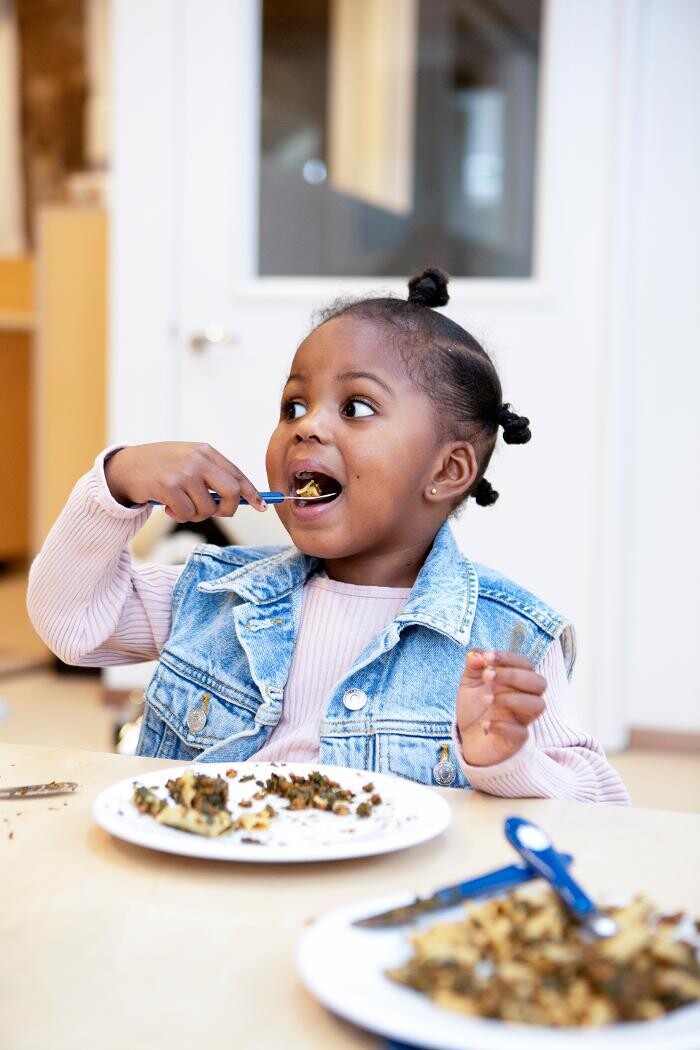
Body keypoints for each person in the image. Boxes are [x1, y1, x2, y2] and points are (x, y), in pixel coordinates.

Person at [27, 268, 628, 802]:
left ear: (448, 471)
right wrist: (116, 483)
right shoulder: (216, 595)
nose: (306, 426)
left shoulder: (509, 638)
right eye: (293, 406)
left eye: (356, 408)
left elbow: (601, 803)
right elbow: (70, 621)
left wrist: (505, 761)